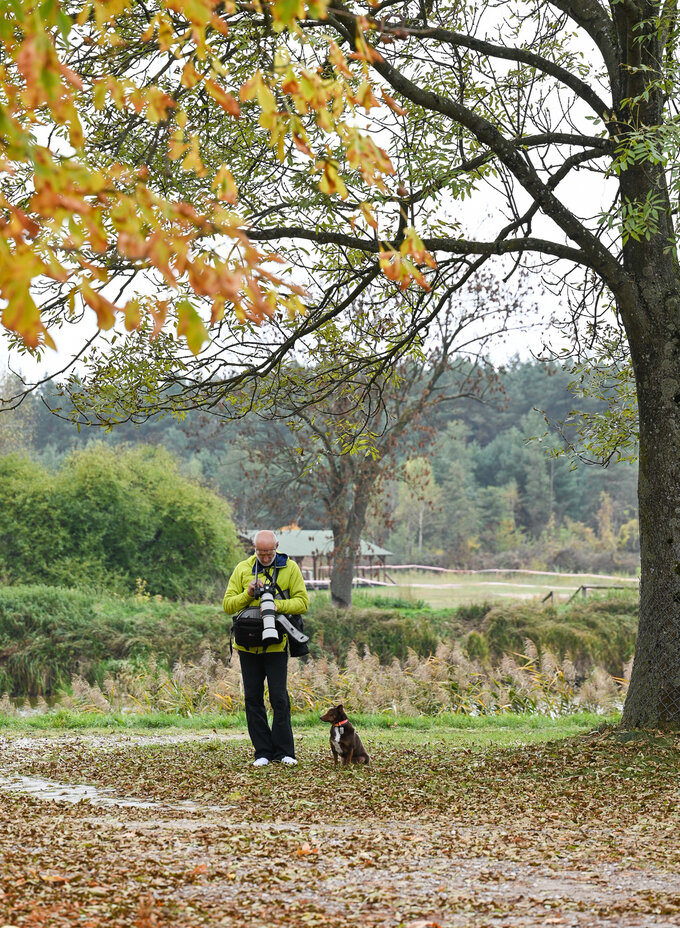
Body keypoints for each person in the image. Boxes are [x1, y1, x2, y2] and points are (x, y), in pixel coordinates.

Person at [223, 530, 309, 767]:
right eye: (261, 552)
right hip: (247, 645)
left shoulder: (290, 568)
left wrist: (272, 604)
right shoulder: (242, 569)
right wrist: (248, 594)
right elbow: (228, 605)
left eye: (269, 552)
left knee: (279, 698)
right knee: (252, 699)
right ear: (254, 548)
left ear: (277, 547)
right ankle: (262, 752)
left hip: (276, 643)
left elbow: (303, 602)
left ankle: (284, 752)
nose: (266, 556)